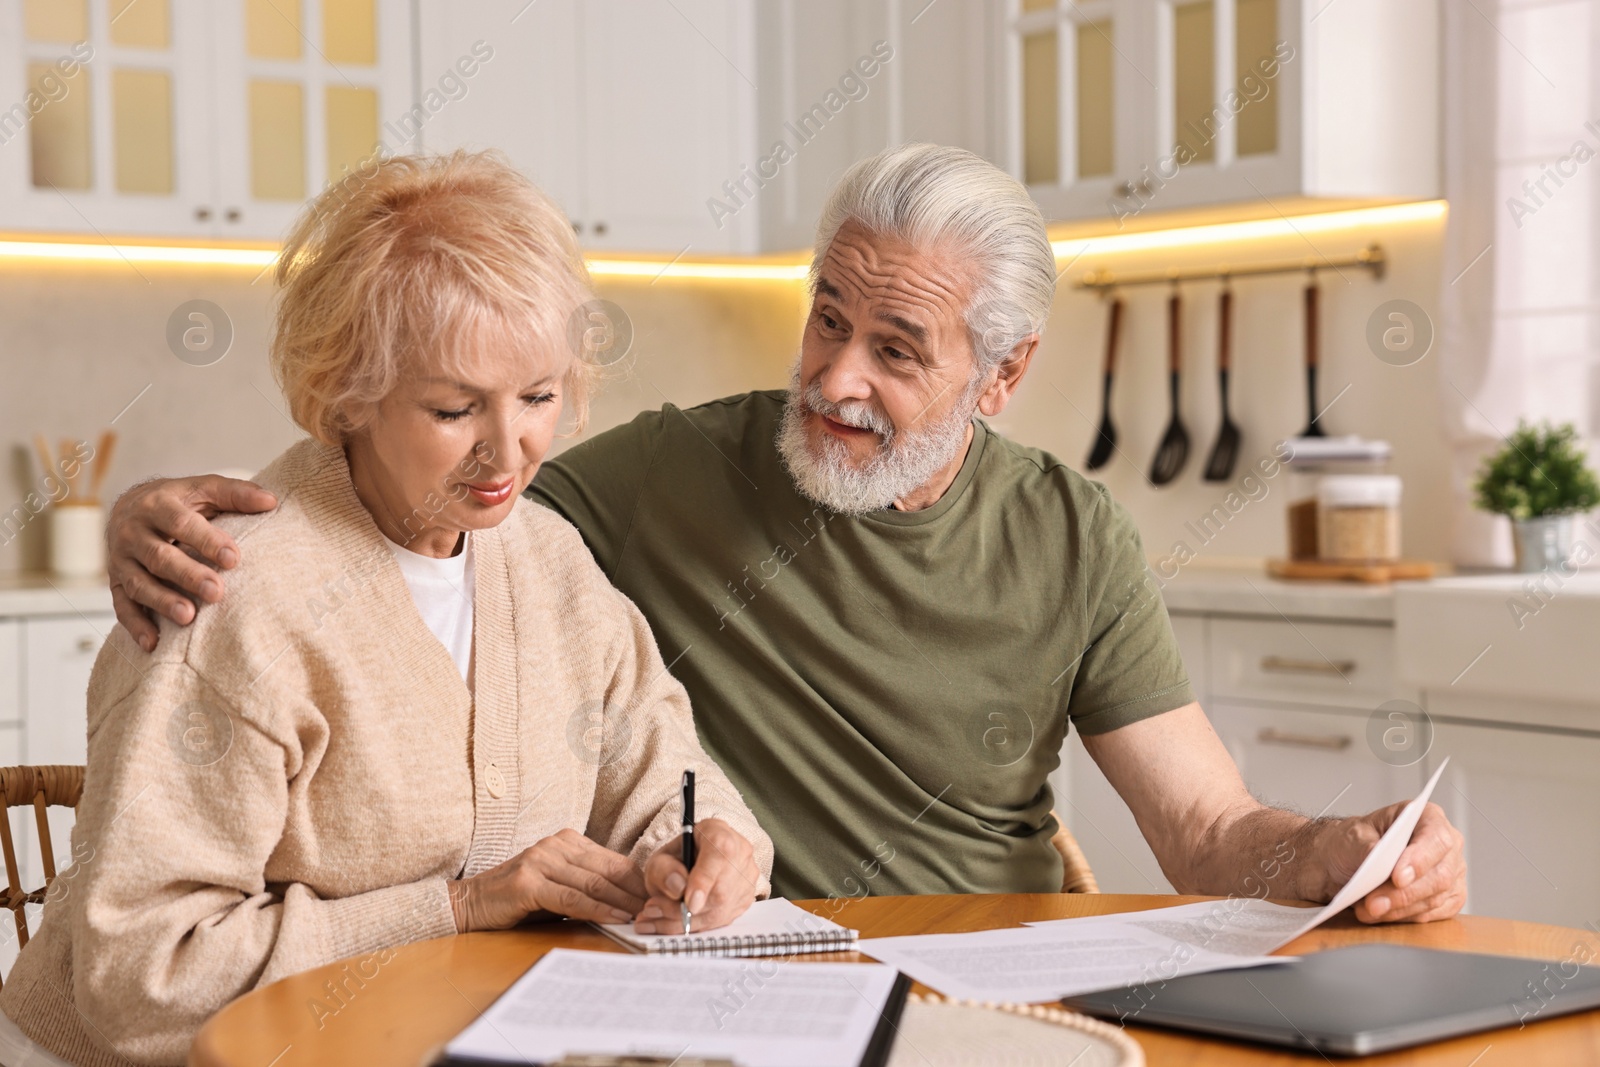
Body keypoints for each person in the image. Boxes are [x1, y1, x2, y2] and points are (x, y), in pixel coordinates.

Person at [105, 143, 1465, 922]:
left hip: (990, 968)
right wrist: (137, 512)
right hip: (741, 975)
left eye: (895, 348)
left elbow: (1212, 826)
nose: (834, 379)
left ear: (1000, 377)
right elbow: (394, 509)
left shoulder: (1073, 532)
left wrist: (1329, 851)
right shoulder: (658, 477)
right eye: (827, 317)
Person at [0, 152, 770, 1067]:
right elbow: (142, 977)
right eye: (453, 409)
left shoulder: (551, 560)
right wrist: (459, 905)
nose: (509, 450)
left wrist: (703, 843)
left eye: (539, 396)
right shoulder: (237, 598)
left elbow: (656, 761)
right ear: (350, 393)